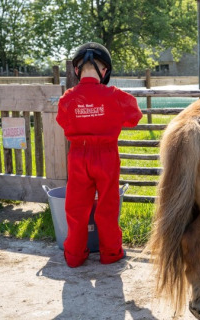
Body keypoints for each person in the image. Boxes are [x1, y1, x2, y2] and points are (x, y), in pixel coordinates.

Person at [57, 42, 143, 268]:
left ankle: (74, 256)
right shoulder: (115, 95)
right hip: (106, 155)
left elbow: (62, 121)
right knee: (107, 206)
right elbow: (134, 117)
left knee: (76, 208)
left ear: (77, 70)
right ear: (104, 71)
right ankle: (111, 253)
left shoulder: (67, 98)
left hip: (78, 155)